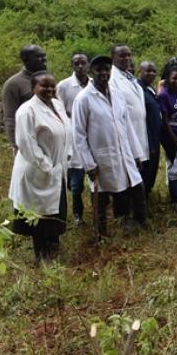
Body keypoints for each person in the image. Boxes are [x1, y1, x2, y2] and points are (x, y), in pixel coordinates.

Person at [72, 55, 147, 235]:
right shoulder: (83, 99)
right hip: (101, 158)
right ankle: (101, 235)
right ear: (91, 71)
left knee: (133, 189)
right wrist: (89, 165)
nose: (104, 73)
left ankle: (132, 226)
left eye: (107, 69)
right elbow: (79, 135)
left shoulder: (118, 94)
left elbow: (127, 126)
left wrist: (137, 154)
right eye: (99, 69)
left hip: (124, 153)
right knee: (101, 198)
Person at [9, 71, 71, 262]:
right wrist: (46, 165)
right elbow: (26, 143)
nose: (49, 90)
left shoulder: (57, 105)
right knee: (39, 217)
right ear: (33, 88)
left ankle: (53, 252)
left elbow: (66, 132)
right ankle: (42, 257)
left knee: (54, 212)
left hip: (56, 168)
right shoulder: (27, 111)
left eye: (52, 86)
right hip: (36, 170)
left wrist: (66, 156)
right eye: (44, 86)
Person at [56, 53, 89, 225]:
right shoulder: (64, 86)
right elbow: (58, 110)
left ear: (88, 65)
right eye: (76, 63)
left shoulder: (93, 84)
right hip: (73, 139)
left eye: (83, 63)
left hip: (92, 137)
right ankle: (78, 215)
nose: (80, 66)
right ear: (72, 65)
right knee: (76, 183)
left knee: (94, 178)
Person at [110, 45, 150, 168]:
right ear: (113, 58)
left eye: (129, 55)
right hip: (126, 137)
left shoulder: (130, 78)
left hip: (139, 134)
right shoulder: (112, 79)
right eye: (122, 55)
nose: (127, 58)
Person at [2, 45, 47, 145]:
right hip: (26, 141)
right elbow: (10, 118)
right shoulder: (13, 84)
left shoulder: (48, 79)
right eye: (38, 56)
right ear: (26, 60)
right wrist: (17, 145)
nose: (43, 59)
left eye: (44, 56)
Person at [137, 61, 162, 196]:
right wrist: (150, 143)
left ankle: (147, 195)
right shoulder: (138, 89)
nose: (151, 74)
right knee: (146, 169)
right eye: (148, 71)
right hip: (146, 138)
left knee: (153, 168)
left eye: (153, 71)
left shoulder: (150, 88)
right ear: (139, 72)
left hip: (155, 135)